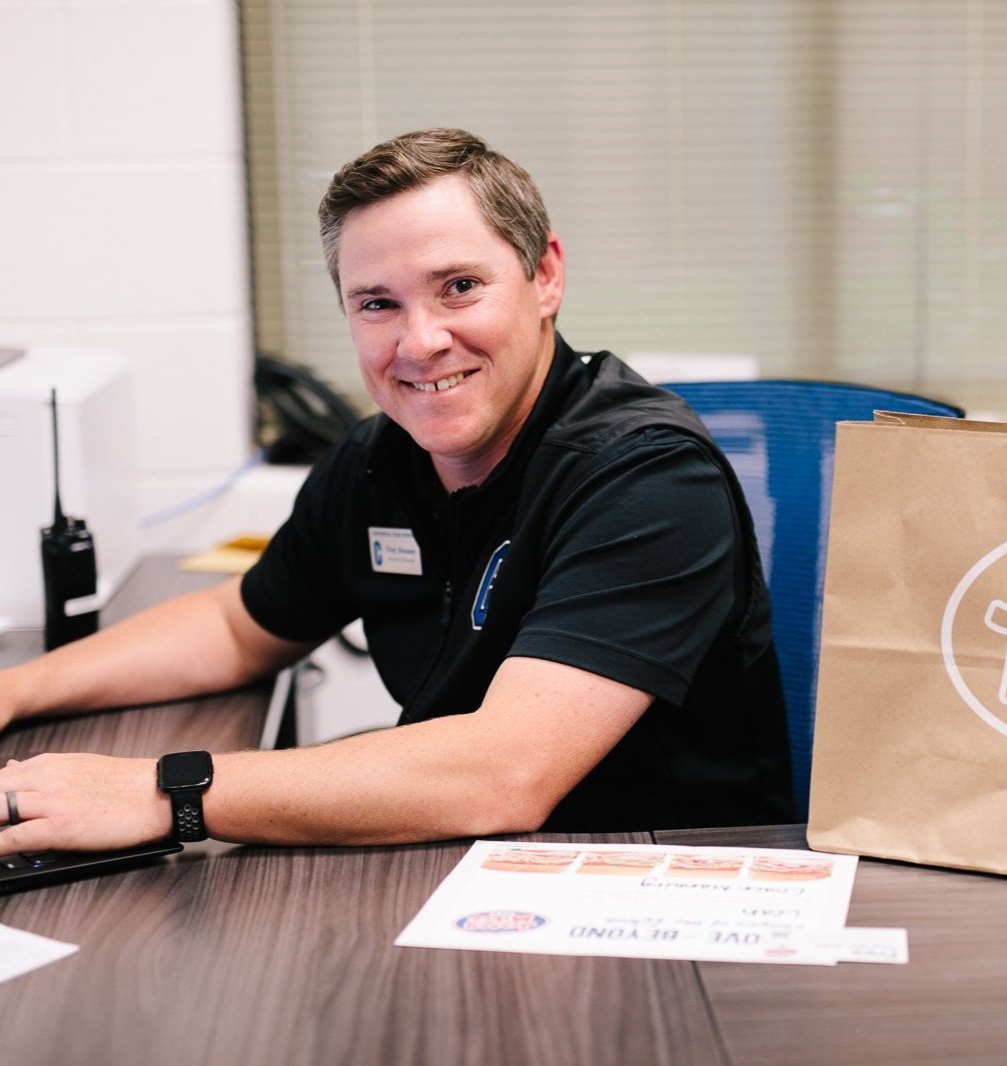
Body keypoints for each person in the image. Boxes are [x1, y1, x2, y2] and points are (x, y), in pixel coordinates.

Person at [0, 128, 794, 854]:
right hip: (472, 864)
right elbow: (238, 628)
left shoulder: (646, 475)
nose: (418, 342)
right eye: (377, 303)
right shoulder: (381, 458)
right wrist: (14, 689)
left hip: (659, 884)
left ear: (544, 275)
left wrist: (163, 790)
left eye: (457, 287)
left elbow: (504, 771)